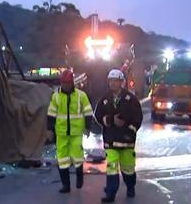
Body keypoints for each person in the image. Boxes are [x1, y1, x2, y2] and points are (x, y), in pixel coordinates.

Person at [94, 69, 143, 203]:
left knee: (128, 169)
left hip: (127, 141)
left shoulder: (130, 99)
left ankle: (130, 186)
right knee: (111, 168)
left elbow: (138, 117)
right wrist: (110, 120)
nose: (112, 83)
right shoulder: (104, 99)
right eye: (110, 81)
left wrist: (130, 130)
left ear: (121, 82)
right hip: (111, 140)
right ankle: (111, 193)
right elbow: (98, 116)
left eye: (115, 81)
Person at [47, 69, 93, 193]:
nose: (65, 85)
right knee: (62, 160)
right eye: (63, 83)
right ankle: (65, 186)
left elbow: (88, 112)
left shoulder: (80, 95)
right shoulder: (56, 96)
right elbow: (51, 114)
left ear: (72, 82)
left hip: (76, 132)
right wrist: (49, 130)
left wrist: (88, 127)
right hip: (61, 133)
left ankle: (79, 177)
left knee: (77, 157)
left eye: (67, 83)